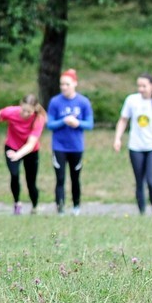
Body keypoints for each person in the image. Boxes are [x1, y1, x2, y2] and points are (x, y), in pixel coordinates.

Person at [0, 94, 47, 215]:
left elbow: (31, 144)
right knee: (14, 175)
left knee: (31, 181)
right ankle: (17, 203)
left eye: (29, 112)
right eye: (24, 110)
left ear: (35, 109)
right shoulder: (11, 112)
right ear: (20, 105)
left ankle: (35, 206)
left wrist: (18, 155)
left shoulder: (38, 119)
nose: (26, 114)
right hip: (12, 147)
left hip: (30, 151)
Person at [113, 73, 152, 216]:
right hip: (135, 146)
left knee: (151, 180)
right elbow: (123, 120)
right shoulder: (131, 100)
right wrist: (118, 138)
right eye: (139, 86)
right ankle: (141, 212)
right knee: (139, 180)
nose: (141, 89)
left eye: (144, 86)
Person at [47, 68, 93, 216]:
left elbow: (90, 124)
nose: (64, 87)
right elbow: (50, 124)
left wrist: (77, 123)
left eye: (67, 84)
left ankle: (76, 206)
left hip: (76, 147)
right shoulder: (55, 101)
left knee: (75, 178)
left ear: (75, 84)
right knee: (60, 178)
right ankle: (60, 208)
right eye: (62, 84)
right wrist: (64, 121)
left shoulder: (83, 102)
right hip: (59, 146)